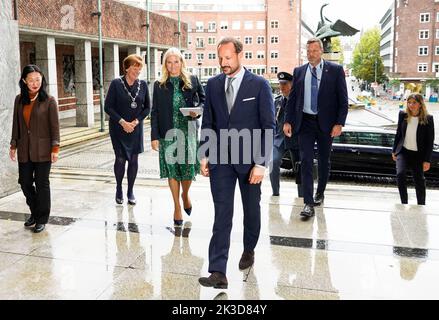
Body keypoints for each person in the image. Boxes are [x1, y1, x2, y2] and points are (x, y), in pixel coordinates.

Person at [198, 37, 275, 289]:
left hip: (250, 161)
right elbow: (207, 121)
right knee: (222, 214)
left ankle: (249, 249)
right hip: (220, 161)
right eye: (220, 58)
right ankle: (218, 271)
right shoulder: (212, 85)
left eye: (228, 58)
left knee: (251, 211)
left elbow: (268, 127)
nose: (223, 63)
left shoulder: (260, 85)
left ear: (240, 55)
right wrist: (204, 154)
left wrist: (261, 164)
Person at [283, 37, 348, 219]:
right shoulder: (299, 71)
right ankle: (308, 203)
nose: (311, 54)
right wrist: (288, 121)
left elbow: (343, 100)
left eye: (314, 51)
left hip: (327, 124)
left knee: (324, 160)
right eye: (308, 51)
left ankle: (320, 192)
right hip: (305, 123)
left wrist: (339, 123)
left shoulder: (335, 70)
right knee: (305, 161)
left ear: (321, 51)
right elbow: (293, 99)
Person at [150, 47, 205, 226]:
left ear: (182, 62)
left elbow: (204, 100)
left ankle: (185, 195)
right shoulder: (159, 85)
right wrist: (154, 136)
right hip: (168, 134)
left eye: (176, 61)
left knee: (188, 169)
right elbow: (155, 112)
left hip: (188, 130)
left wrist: (198, 112)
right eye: (169, 62)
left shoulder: (192, 80)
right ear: (165, 64)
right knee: (172, 171)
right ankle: (176, 207)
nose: (173, 65)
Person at [9, 64, 60, 233]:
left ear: (42, 80)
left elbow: (55, 127)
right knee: (24, 182)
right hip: (24, 148)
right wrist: (13, 144)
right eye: (31, 80)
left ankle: (41, 218)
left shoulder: (49, 100)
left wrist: (55, 148)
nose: (35, 83)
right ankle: (35, 211)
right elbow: (16, 124)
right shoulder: (19, 99)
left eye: (38, 79)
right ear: (24, 81)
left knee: (42, 183)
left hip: (44, 150)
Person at [105, 54, 150, 205]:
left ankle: (130, 191)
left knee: (134, 160)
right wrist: (123, 122)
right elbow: (108, 107)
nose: (137, 71)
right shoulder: (116, 83)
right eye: (135, 67)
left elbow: (148, 108)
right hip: (118, 127)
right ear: (126, 68)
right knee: (120, 158)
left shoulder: (143, 85)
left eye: (139, 68)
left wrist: (136, 122)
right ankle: (119, 188)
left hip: (136, 128)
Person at [392, 93, 434, 205]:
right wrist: (394, 150)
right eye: (409, 102)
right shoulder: (403, 115)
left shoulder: (428, 119)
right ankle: (404, 202)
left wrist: (427, 160)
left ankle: (421, 204)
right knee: (400, 174)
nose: (411, 105)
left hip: (418, 155)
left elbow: (430, 141)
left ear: (420, 104)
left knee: (419, 180)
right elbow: (398, 134)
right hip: (403, 152)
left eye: (414, 103)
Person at [269, 71, 299, 196]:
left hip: (295, 139)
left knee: (299, 168)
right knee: (273, 162)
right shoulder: (277, 102)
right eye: (280, 84)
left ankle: (302, 195)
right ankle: (275, 192)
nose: (282, 87)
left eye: (285, 84)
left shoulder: (299, 101)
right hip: (279, 139)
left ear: (292, 84)